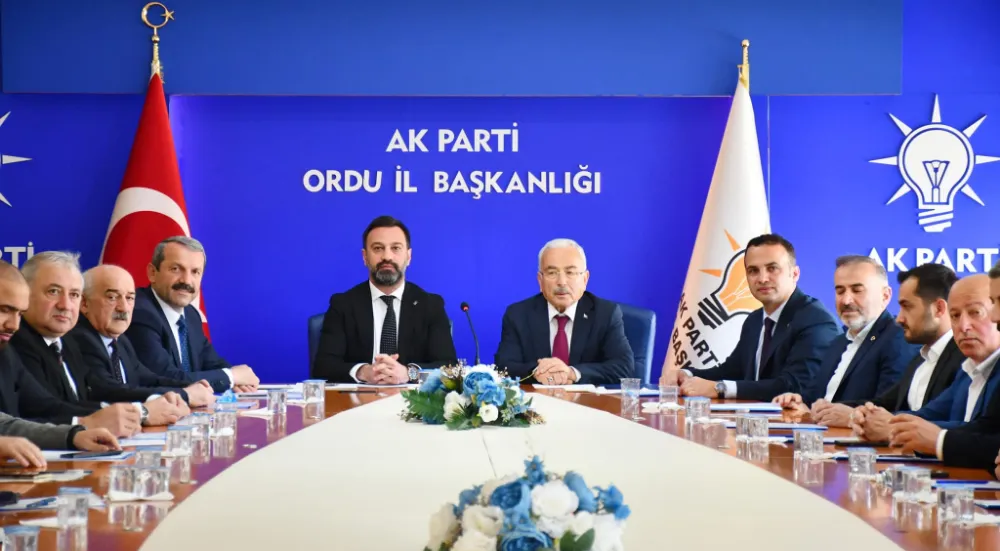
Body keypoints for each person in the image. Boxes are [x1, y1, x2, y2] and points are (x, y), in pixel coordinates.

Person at [11, 252, 185, 434]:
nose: (65, 305)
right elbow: (44, 408)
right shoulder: (16, 343)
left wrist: (160, 402)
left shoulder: (66, 341)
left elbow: (93, 392)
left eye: (74, 294)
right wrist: (140, 413)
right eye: (53, 292)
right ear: (25, 294)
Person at [661, 234, 841, 401]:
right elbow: (733, 371)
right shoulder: (754, 320)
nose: (762, 279)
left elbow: (794, 386)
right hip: (755, 421)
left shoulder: (816, 321)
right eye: (753, 271)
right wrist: (687, 375)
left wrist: (720, 388)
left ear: (794, 274)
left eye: (772, 268)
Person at [0, 259, 138, 438]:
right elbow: (15, 424)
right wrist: (80, 427)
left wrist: (83, 428)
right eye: (4, 310)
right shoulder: (18, 343)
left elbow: (44, 405)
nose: (14, 325)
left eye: (74, 294)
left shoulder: (7, 351)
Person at [312, 216, 457, 384]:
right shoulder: (343, 304)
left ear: (408, 256)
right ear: (365, 257)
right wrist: (363, 372)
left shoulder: (431, 305)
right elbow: (323, 366)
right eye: (378, 248)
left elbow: (449, 367)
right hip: (359, 397)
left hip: (412, 398)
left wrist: (408, 373)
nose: (387, 256)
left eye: (395, 248)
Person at [772, 256, 915, 426]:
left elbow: (889, 407)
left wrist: (851, 416)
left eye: (857, 290)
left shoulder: (897, 339)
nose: (846, 300)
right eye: (840, 291)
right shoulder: (838, 342)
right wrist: (798, 402)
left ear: (885, 296)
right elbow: (815, 397)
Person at [884, 273, 1000, 463]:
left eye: (975, 312)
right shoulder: (967, 370)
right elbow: (930, 415)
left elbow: (988, 437)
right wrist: (883, 420)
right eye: (955, 316)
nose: (963, 326)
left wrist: (938, 440)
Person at [70, 265, 216, 409]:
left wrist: (190, 386)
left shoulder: (120, 340)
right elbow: (110, 391)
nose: (124, 307)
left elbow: (147, 379)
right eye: (112, 297)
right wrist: (184, 395)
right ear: (84, 303)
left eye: (129, 298)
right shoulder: (80, 339)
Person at [127, 236, 260, 393]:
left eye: (195, 272)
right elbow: (166, 378)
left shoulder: (191, 315)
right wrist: (231, 376)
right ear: (152, 273)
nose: (186, 281)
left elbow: (212, 364)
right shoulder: (139, 313)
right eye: (176, 269)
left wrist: (237, 381)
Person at [845, 264, 963, 438]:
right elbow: (885, 403)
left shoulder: (964, 359)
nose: (899, 319)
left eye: (907, 307)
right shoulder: (920, 358)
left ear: (938, 308)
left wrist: (890, 424)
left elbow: (942, 420)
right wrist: (858, 412)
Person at [494, 238, 633, 385]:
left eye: (570, 272)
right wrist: (537, 371)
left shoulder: (606, 313)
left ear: (585, 279)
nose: (561, 282)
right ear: (540, 280)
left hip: (587, 399)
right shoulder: (518, 314)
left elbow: (623, 367)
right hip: (537, 398)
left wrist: (572, 373)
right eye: (552, 273)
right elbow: (503, 367)